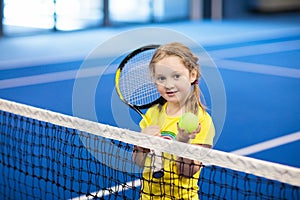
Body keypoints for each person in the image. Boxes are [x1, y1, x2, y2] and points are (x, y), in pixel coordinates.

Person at [132, 42, 215, 199]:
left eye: (176, 76)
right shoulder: (152, 113)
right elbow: (138, 161)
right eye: (161, 78)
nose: (168, 85)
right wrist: (141, 143)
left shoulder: (201, 121)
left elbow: (188, 172)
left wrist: (182, 141)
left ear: (192, 75)